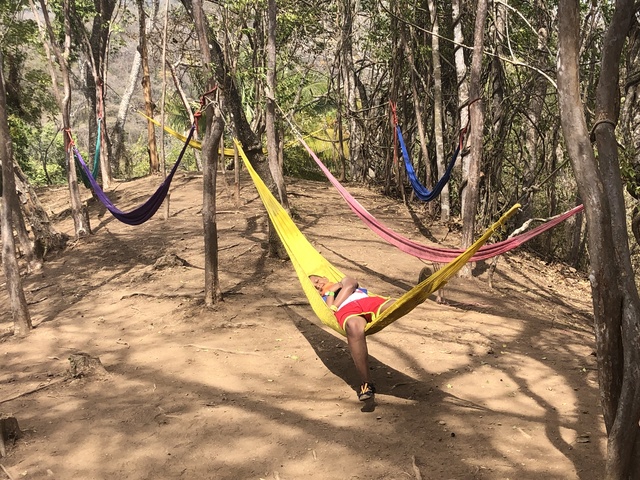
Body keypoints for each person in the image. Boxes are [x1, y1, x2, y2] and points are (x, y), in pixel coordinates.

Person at [309, 274, 395, 401]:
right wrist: (331, 294)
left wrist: (334, 302)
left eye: (317, 281)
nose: (318, 285)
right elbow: (329, 310)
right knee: (352, 327)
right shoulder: (325, 298)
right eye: (315, 287)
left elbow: (350, 285)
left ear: (324, 277)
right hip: (347, 311)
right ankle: (366, 383)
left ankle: (418, 293)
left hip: (367, 301)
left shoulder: (342, 280)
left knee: (396, 305)